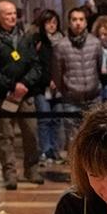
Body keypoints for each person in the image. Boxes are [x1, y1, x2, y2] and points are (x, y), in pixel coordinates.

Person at [0, 0, 44, 190]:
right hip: (4, 96)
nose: (12, 17)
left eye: (14, 13)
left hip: (25, 93)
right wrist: (11, 85)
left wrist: (24, 83)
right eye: (7, 14)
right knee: (5, 135)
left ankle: (32, 169)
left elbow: (36, 65)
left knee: (31, 133)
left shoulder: (26, 37)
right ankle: (9, 173)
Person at [52, 7, 104, 147]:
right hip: (71, 99)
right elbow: (57, 73)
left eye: (81, 19)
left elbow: (98, 67)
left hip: (93, 98)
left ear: (86, 22)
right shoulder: (61, 46)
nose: (78, 23)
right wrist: (66, 91)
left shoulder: (95, 43)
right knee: (74, 140)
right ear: (69, 23)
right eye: (74, 20)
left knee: (94, 139)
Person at [32, 9, 65, 164]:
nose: (51, 26)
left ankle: (56, 149)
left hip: (58, 87)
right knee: (44, 118)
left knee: (57, 118)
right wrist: (47, 80)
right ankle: (45, 149)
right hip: (41, 87)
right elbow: (37, 65)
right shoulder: (38, 41)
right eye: (48, 23)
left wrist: (57, 81)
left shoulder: (62, 40)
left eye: (54, 23)